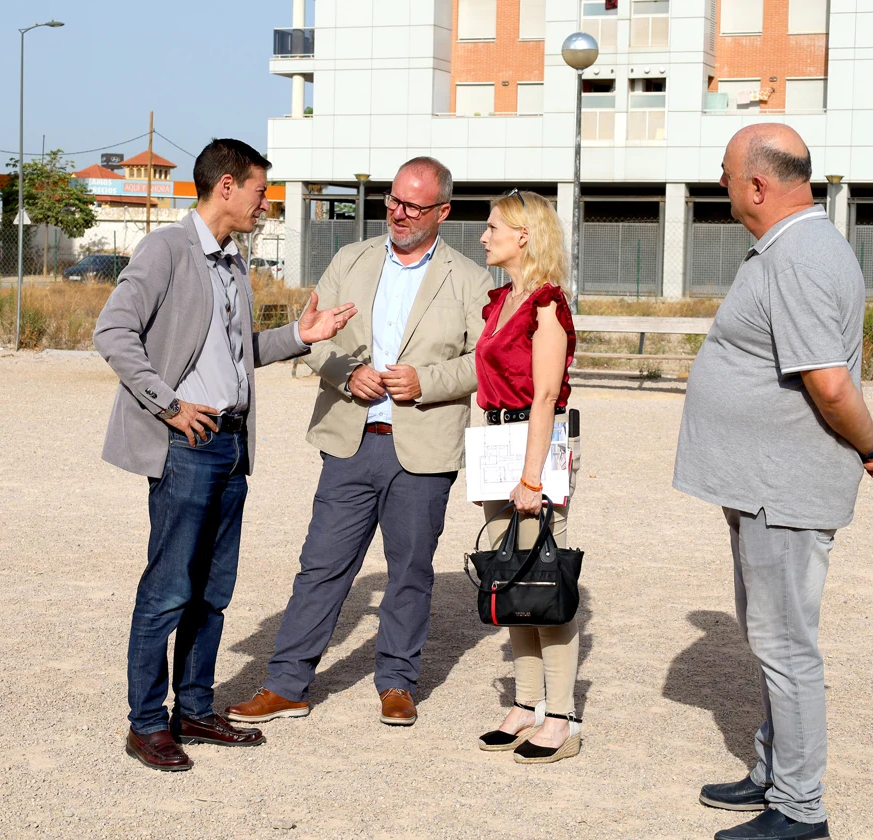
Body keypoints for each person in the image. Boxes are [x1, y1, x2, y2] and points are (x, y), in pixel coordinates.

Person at [674, 124, 873, 840]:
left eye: (724, 175)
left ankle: (801, 810)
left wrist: (870, 442)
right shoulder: (791, 249)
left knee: (786, 646)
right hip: (762, 484)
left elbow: (830, 384)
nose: (720, 186)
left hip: (784, 488)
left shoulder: (803, 256)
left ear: (757, 185)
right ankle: (774, 773)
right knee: (772, 637)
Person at [93, 138, 356, 772]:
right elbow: (112, 332)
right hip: (188, 444)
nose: (266, 204)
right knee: (168, 591)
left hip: (233, 444)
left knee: (213, 591)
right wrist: (169, 404)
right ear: (228, 186)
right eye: (262, 192)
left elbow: (240, 354)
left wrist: (301, 336)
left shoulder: (233, 259)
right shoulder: (167, 250)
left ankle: (195, 708)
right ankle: (147, 723)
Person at [225, 157, 493, 727]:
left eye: (414, 206)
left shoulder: (471, 278)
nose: (398, 213)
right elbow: (312, 338)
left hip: (423, 446)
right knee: (320, 566)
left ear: (443, 212)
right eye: (393, 201)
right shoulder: (350, 260)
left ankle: (397, 681)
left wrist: (429, 381)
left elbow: (484, 361)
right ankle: (286, 683)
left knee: (411, 571)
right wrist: (346, 375)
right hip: (351, 438)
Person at [471, 190, 580, 765]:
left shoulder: (545, 306)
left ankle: (560, 716)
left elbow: (544, 397)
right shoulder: (502, 301)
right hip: (498, 445)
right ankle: (525, 703)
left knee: (542, 579)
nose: (484, 237)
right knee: (509, 577)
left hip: (531, 449)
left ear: (525, 237)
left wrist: (532, 478)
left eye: (494, 228)